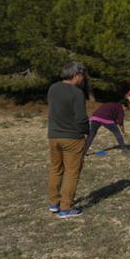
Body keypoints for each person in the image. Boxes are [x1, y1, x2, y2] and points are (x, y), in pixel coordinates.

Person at [46, 61, 90, 219]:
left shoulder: (52, 88)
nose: (83, 79)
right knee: (72, 172)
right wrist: (87, 132)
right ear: (75, 75)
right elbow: (81, 118)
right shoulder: (77, 93)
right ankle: (66, 207)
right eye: (82, 76)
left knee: (56, 169)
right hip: (72, 137)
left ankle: (54, 203)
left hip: (53, 136)